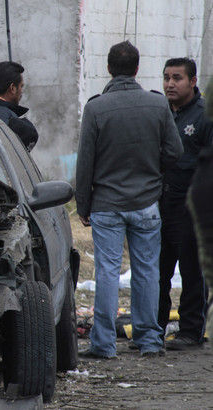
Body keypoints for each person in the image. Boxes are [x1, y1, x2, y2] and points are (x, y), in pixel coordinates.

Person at [75, 41, 183, 359]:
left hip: (107, 204)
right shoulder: (157, 105)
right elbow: (175, 152)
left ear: (109, 68)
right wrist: (153, 171)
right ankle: (150, 340)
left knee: (107, 271)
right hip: (147, 201)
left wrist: (83, 205)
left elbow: (85, 164)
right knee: (148, 270)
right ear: (137, 69)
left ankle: (104, 345)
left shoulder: (95, 108)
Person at [158, 58, 213, 350]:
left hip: (190, 206)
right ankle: (153, 327)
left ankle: (190, 331)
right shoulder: (162, 113)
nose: (170, 84)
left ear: (192, 82)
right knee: (157, 271)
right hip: (160, 203)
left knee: (192, 271)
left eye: (177, 78)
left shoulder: (204, 116)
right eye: (166, 77)